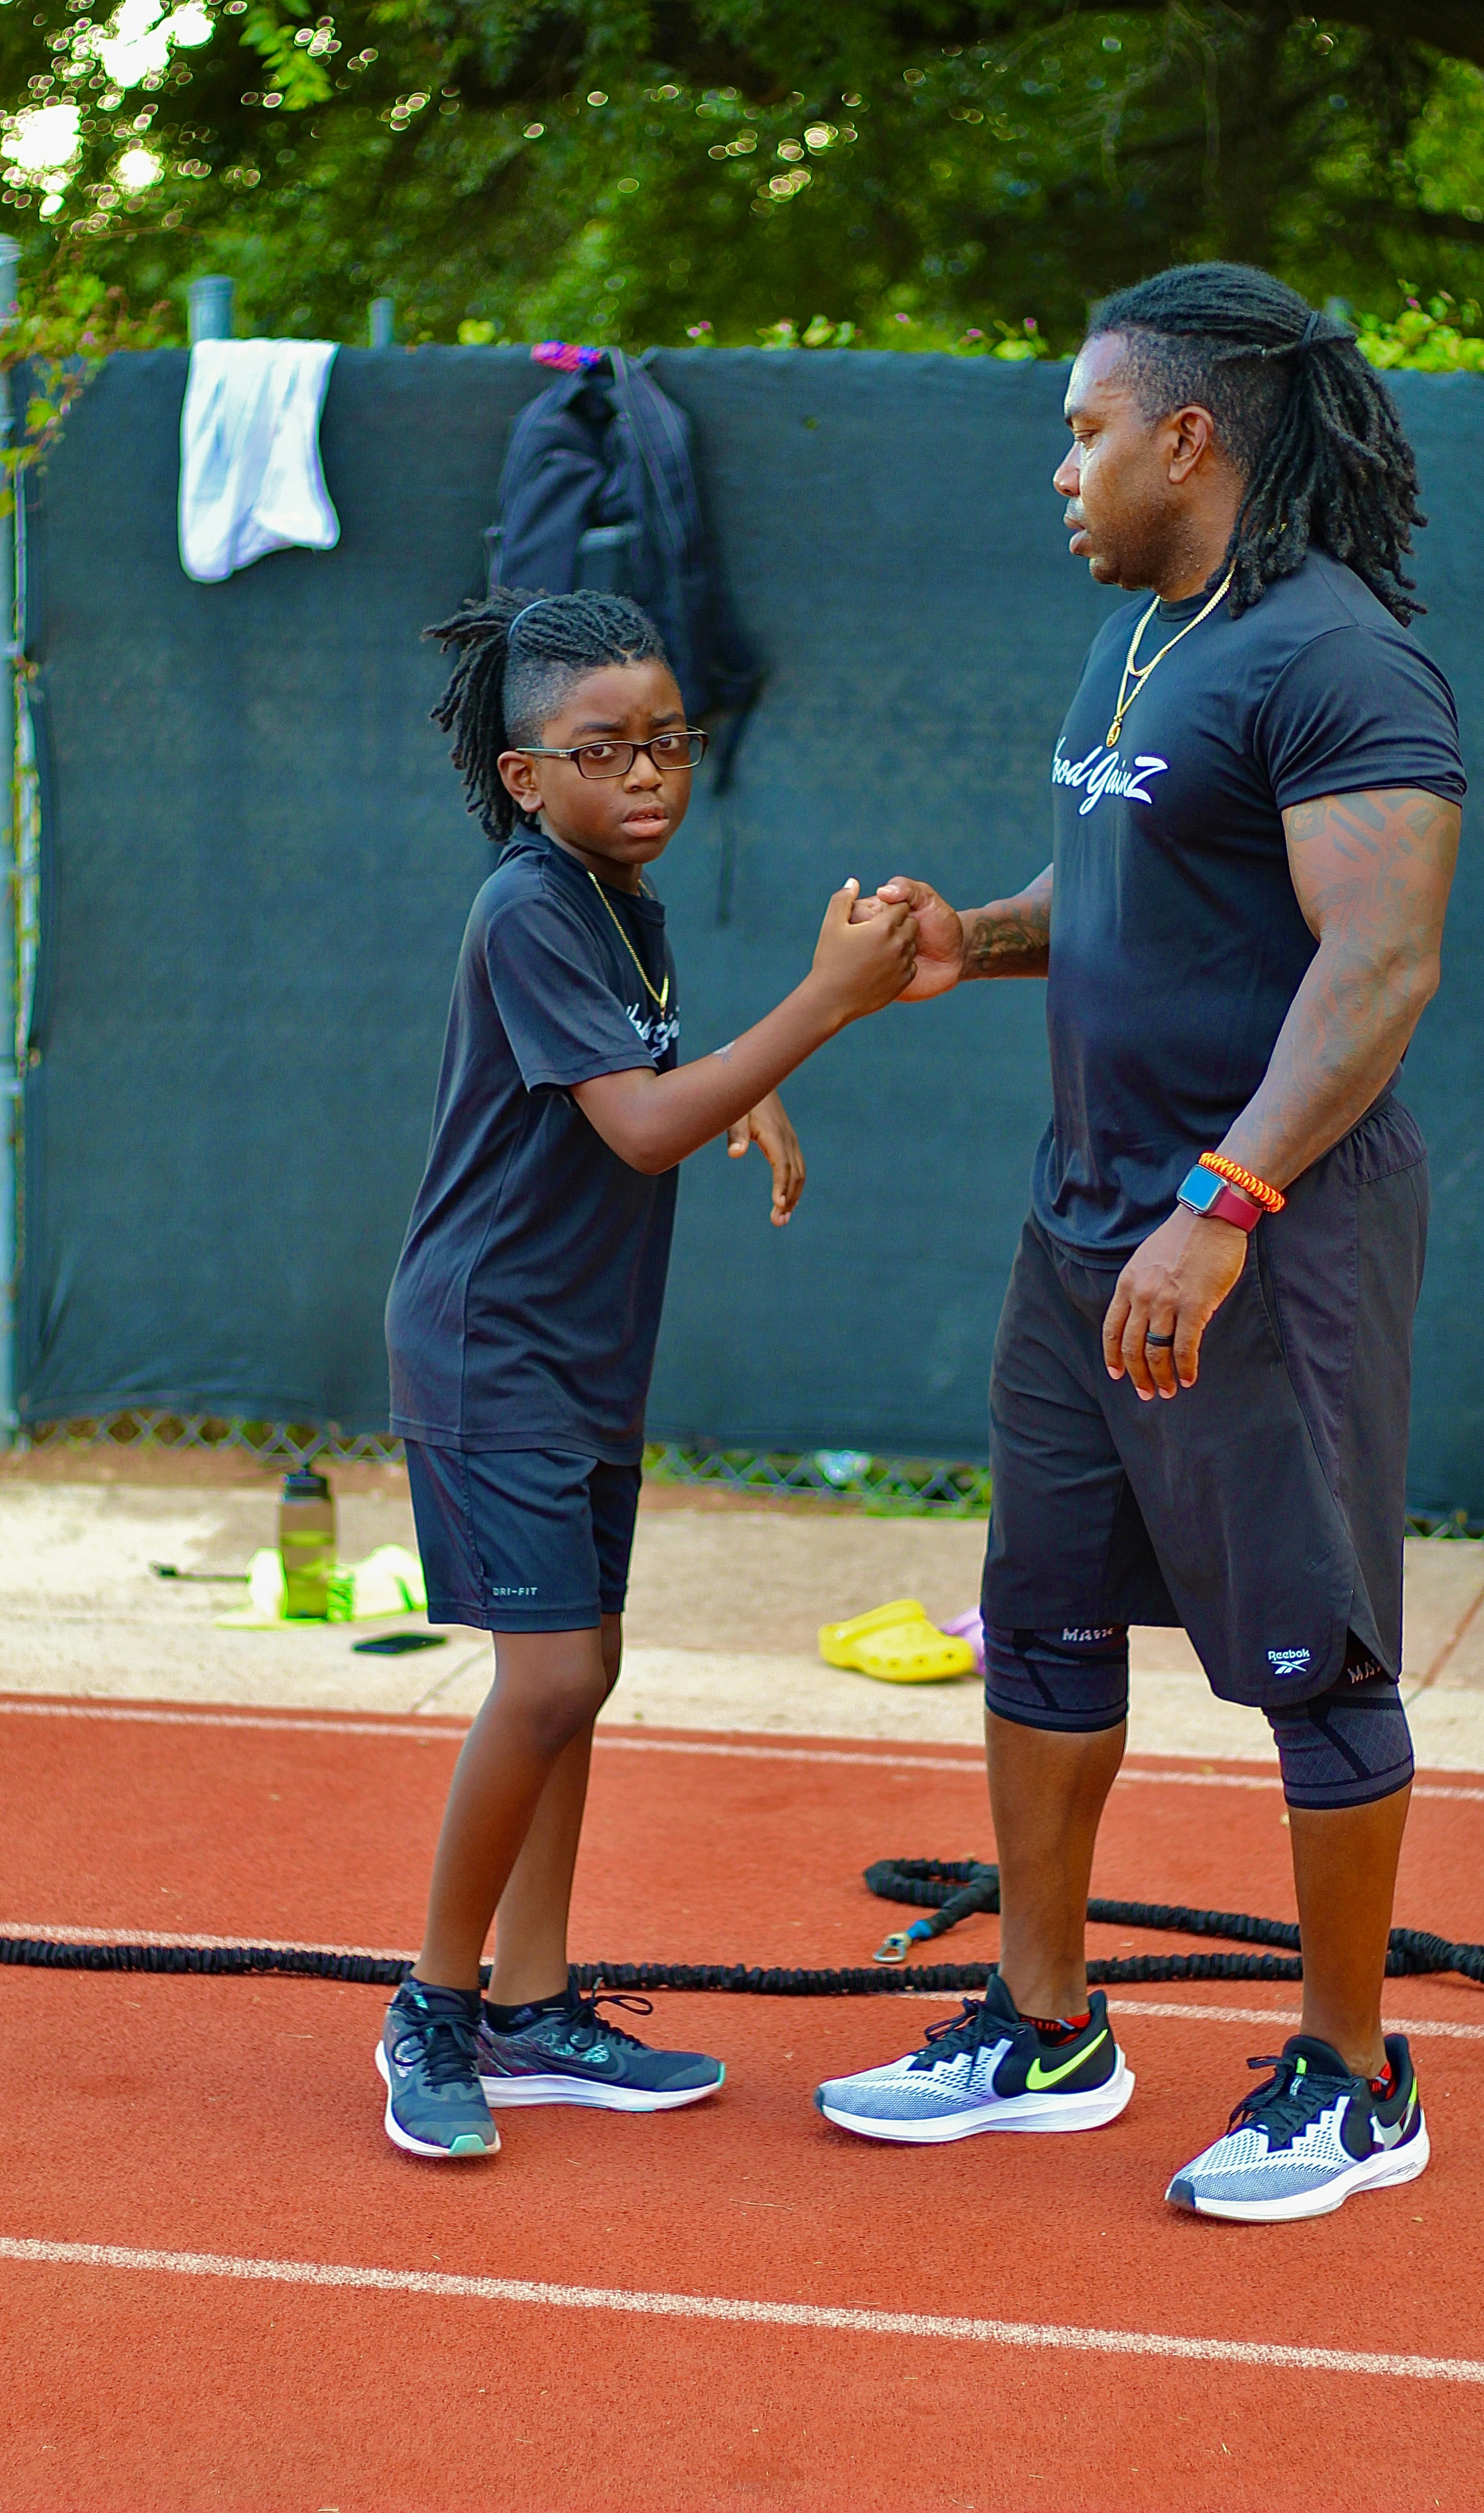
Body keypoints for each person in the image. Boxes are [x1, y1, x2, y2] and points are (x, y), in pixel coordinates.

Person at [815, 263, 1464, 2224]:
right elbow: (1116, 877)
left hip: (1259, 1239)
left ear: (1189, 438)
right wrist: (974, 941)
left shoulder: (1342, 660)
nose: (1064, 469)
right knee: (1045, 1619)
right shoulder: (1158, 638)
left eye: (1087, 430)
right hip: (1085, 1218)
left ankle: (1356, 2074)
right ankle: (1044, 2025)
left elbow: (1379, 966)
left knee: (1314, 1657)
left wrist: (1225, 1203)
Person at [379, 585, 917, 2160]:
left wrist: (716, 1085)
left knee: (582, 1672)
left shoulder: (620, 899)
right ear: (527, 773)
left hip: (579, 1343)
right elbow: (633, 1124)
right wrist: (822, 1006)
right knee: (546, 1674)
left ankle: (536, 2007)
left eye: (669, 743)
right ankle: (436, 2003)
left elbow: (638, 1076)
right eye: (606, 751)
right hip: (495, 1345)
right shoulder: (532, 900)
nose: (650, 776)